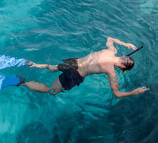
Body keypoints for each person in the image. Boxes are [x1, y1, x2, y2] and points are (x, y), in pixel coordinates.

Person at [19, 37, 149, 98]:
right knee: (50, 89)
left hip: (73, 62)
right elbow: (117, 94)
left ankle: (34, 64)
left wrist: (125, 43)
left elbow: (110, 39)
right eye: (123, 69)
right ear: (121, 65)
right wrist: (135, 92)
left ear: (123, 57)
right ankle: (23, 84)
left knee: (52, 67)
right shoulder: (111, 71)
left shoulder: (111, 50)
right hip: (75, 75)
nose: (121, 70)